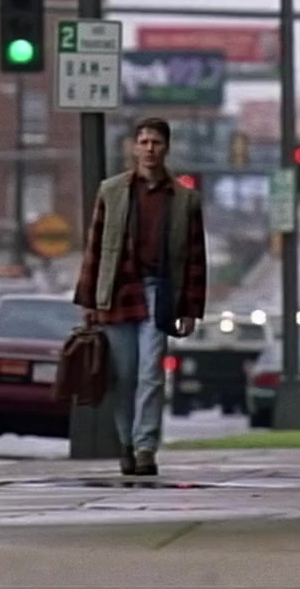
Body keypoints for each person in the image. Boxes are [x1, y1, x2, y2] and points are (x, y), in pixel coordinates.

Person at [73, 117, 207, 476]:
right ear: (134, 147)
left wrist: (190, 308)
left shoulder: (184, 199)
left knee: (151, 372)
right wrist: (89, 302)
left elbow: (195, 257)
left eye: (156, 143)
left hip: (158, 292)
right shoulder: (112, 191)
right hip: (118, 291)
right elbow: (95, 248)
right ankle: (127, 444)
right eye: (144, 142)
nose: (150, 149)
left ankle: (146, 446)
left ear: (167, 148)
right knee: (125, 375)